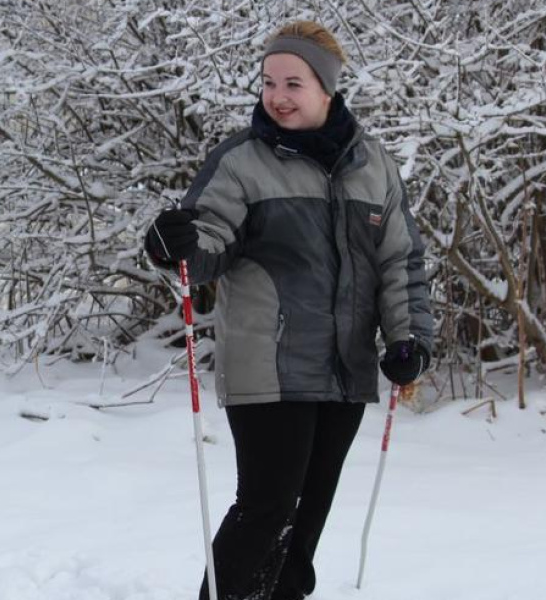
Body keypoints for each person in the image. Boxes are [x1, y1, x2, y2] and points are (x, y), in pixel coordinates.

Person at [143, 20, 433, 600]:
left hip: (344, 371)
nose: (277, 95)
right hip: (268, 366)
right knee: (268, 507)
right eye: (269, 81)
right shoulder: (242, 162)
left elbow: (400, 262)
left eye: (293, 83)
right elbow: (207, 243)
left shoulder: (373, 165)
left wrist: (409, 340)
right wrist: (172, 245)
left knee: (306, 522)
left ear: (327, 89)